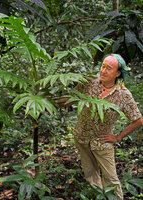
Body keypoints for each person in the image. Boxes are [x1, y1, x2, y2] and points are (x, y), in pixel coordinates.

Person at [56, 54, 143, 200]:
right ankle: (99, 197)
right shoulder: (89, 82)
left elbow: (138, 120)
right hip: (81, 137)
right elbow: (71, 98)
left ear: (117, 73)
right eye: (103, 66)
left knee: (111, 179)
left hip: (102, 142)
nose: (103, 71)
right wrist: (46, 103)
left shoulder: (123, 95)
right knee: (90, 174)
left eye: (109, 68)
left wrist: (118, 137)